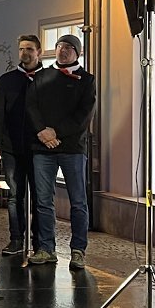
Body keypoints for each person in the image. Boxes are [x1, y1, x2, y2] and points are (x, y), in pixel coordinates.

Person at [25, 34, 96, 271]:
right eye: (59, 46)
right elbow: (31, 106)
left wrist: (55, 132)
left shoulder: (87, 80)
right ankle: (46, 248)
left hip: (72, 148)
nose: (62, 51)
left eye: (68, 47)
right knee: (43, 201)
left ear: (77, 52)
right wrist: (42, 132)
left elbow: (83, 116)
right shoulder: (42, 76)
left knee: (78, 201)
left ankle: (78, 250)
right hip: (42, 147)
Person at [0, 34, 43, 257]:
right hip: (11, 147)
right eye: (21, 49)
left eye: (29, 49)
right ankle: (16, 239)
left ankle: (40, 242)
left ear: (39, 52)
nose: (25, 53)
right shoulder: (7, 80)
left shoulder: (46, 78)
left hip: (39, 149)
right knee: (15, 196)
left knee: (39, 196)